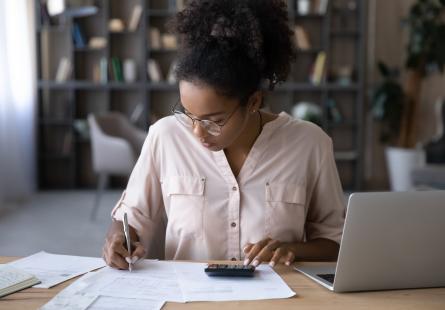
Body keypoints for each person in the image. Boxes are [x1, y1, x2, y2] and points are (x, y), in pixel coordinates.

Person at [102, 0, 345, 270]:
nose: (197, 131)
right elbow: (131, 218)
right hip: (189, 298)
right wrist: (117, 239)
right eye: (189, 114)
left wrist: (292, 250)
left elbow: (334, 241)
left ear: (253, 102)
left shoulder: (309, 144)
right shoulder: (165, 137)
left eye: (214, 120)